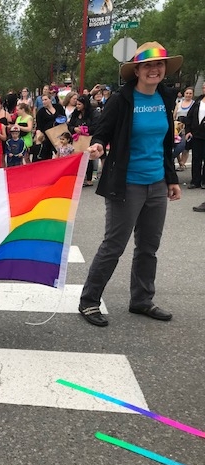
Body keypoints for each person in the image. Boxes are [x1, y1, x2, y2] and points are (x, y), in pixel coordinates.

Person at [78, 41, 183, 327]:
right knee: (114, 245)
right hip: (126, 185)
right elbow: (102, 132)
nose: (154, 70)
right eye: (148, 65)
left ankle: (141, 300)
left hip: (157, 184)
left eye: (159, 64)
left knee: (149, 246)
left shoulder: (165, 96)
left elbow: (163, 143)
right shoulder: (123, 99)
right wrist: (98, 146)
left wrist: (171, 179)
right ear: (137, 70)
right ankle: (89, 301)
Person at [185, 83, 205, 190]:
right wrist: (188, 131)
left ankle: (204, 181)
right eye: (203, 87)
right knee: (196, 158)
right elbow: (189, 116)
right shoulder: (198, 101)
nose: (204, 89)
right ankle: (195, 181)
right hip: (196, 134)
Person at [35, 94, 65, 160]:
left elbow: (63, 118)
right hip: (47, 135)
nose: (44, 102)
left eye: (45, 99)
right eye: (42, 100)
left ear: (50, 99)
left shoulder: (58, 107)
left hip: (59, 134)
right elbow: (39, 125)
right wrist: (38, 133)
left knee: (60, 152)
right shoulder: (40, 112)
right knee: (46, 154)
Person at [173, 87, 194, 171]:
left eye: (190, 93)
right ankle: (179, 162)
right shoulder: (179, 103)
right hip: (178, 127)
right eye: (187, 93)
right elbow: (174, 115)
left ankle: (182, 163)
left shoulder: (194, 104)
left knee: (185, 147)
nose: (188, 95)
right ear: (184, 93)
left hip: (188, 127)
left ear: (192, 94)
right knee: (176, 145)